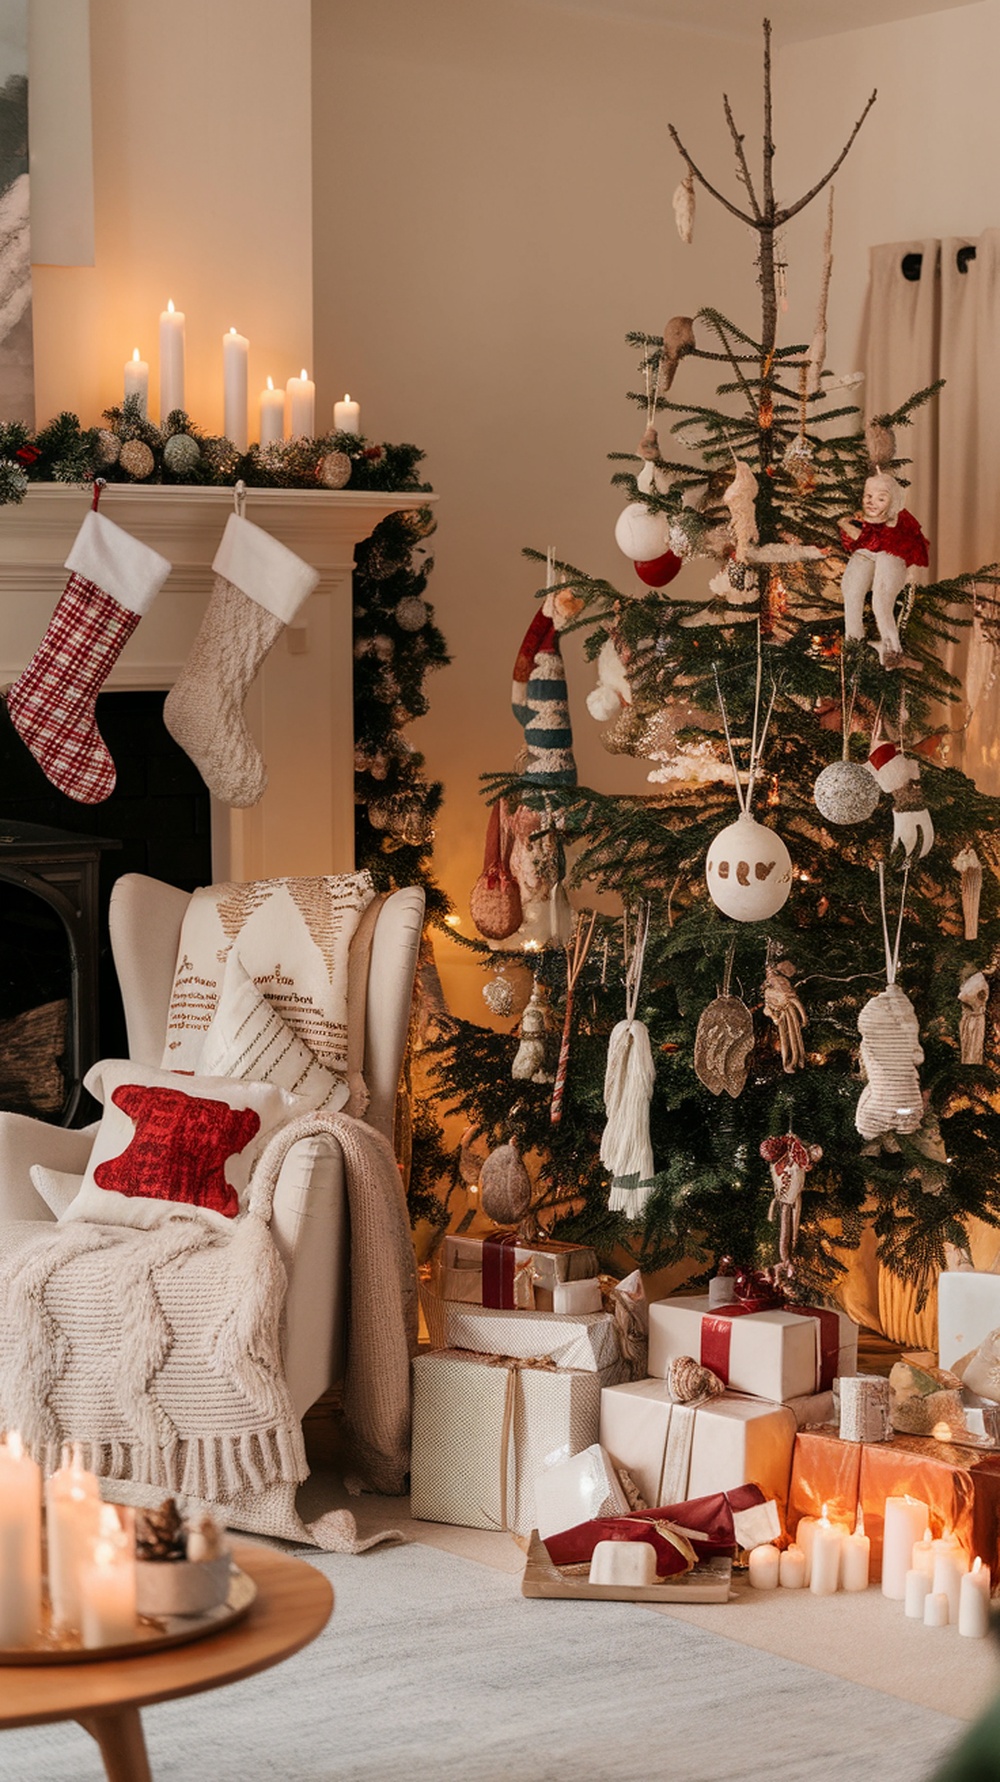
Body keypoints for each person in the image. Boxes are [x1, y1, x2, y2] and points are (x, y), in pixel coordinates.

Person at [840, 470, 929, 666]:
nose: (872, 502)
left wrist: (847, 525)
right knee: (851, 590)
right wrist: (847, 523)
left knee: (881, 601)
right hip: (867, 553)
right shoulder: (863, 520)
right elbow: (861, 542)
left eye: (881, 498)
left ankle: (892, 650)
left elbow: (882, 542)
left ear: (892, 501)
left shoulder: (898, 523)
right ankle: (853, 644)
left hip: (890, 554)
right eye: (868, 496)